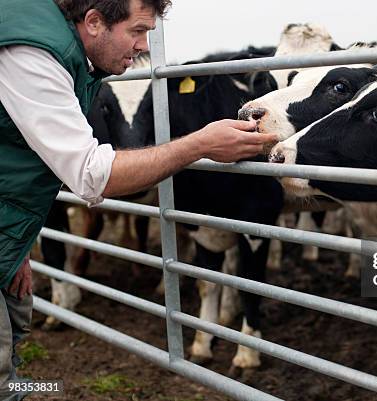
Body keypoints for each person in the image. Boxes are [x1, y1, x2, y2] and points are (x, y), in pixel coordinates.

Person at [0, 0, 277, 398]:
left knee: (11, 352)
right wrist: (200, 144)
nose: (145, 45)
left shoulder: (63, 50)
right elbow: (92, 173)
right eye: (137, 30)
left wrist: (14, 246)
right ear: (94, 21)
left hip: (9, 236)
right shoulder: (34, 53)